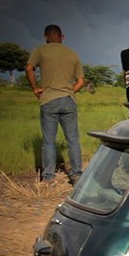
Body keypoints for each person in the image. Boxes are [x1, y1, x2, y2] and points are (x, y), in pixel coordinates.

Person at [26, 24, 85, 184]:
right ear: (62, 37)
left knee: (48, 140)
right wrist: (69, 91)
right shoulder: (73, 54)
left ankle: (48, 177)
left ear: (46, 37)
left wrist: (35, 88)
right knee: (73, 139)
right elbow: (80, 82)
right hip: (68, 99)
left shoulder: (40, 50)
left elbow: (29, 68)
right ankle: (77, 175)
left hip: (48, 99)